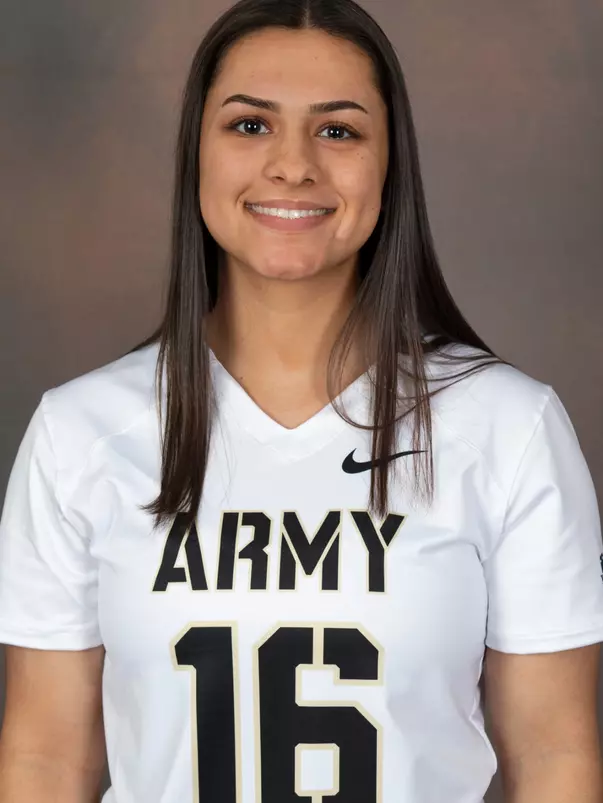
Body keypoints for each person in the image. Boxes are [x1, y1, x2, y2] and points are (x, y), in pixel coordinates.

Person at [0, 0, 602, 801]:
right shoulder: (78, 433)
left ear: (390, 167)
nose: (292, 166)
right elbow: (46, 759)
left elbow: (553, 756)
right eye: (250, 126)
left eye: (338, 130)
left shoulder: (508, 427)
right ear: (197, 156)